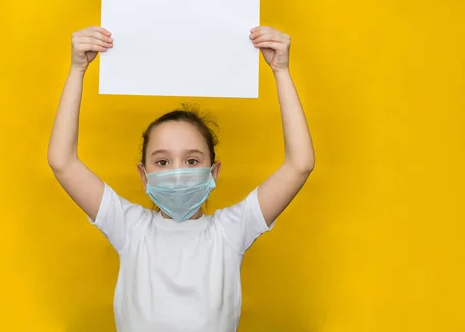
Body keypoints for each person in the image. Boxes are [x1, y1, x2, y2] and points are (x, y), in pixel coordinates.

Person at [47, 25, 315, 332]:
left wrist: (281, 71)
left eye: (191, 160)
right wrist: (77, 69)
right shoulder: (130, 228)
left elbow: (300, 164)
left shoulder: (230, 232)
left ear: (213, 172)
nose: (177, 172)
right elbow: (62, 161)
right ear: (143, 175)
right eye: (162, 161)